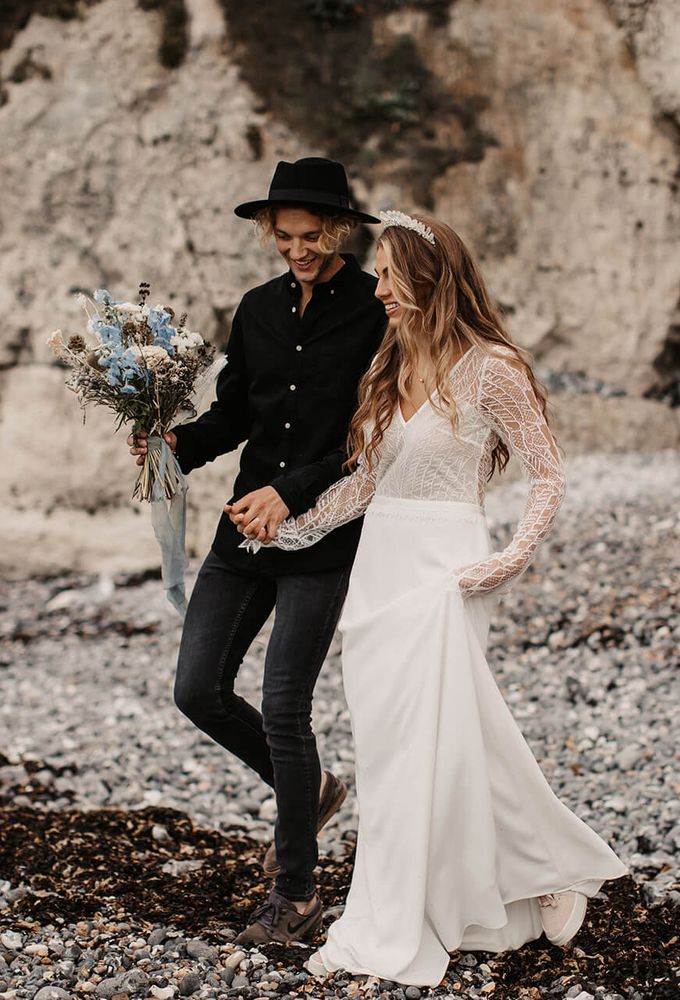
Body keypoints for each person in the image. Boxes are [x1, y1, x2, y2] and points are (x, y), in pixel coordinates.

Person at [230, 210, 627, 987]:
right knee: (401, 749)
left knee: (438, 742)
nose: (377, 288)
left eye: (389, 275)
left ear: (428, 277)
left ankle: (418, 908)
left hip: (450, 566)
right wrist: (292, 529)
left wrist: (510, 558)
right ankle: (527, 876)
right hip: (382, 567)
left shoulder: (492, 368)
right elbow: (368, 484)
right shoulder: (390, 363)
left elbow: (548, 473)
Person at [128, 158, 386, 944]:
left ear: (339, 230)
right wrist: (177, 445)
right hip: (243, 532)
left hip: (323, 536)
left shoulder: (378, 310)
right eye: (284, 236)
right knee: (197, 690)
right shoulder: (257, 308)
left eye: (312, 236)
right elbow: (235, 412)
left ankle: (297, 894)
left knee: (283, 708)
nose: (297, 249)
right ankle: (310, 790)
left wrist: (292, 491)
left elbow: (373, 438)